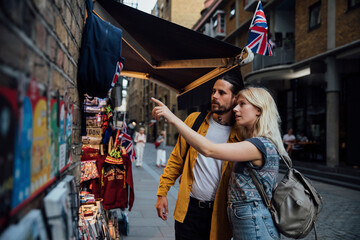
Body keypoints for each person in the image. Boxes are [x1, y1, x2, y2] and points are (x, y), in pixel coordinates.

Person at [152, 86, 286, 240]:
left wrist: (173, 118)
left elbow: (209, 150)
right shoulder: (253, 142)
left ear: (259, 110)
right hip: (245, 223)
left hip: (255, 226)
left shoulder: (259, 145)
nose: (236, 108)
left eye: (242, 104)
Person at [155, 68, 243, 240]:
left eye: (221, 93)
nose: (214, 96)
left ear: (235, 98)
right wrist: (162, 193)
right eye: (213, 91)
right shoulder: (194, 120)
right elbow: (176, 160)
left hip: (221, 214)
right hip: (189, 210)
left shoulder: (241, 133)